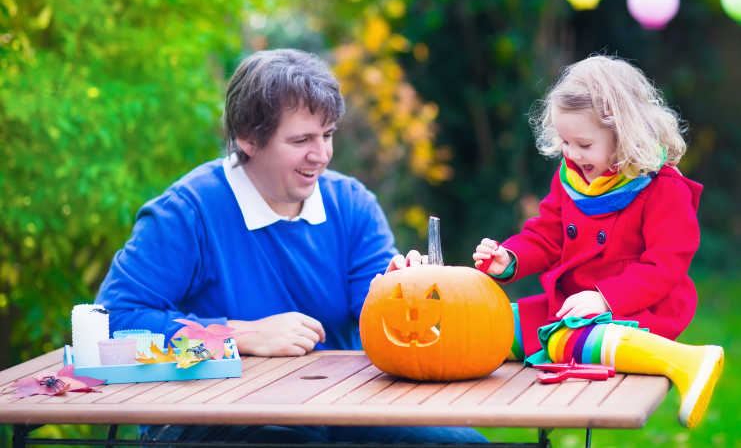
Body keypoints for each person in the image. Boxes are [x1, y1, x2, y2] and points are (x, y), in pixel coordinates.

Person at [95, 49, 486, 444]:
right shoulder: (187, 213)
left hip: (338, 406)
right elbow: (111, 324)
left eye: (328, 135)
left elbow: (376, 318)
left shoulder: (351, 204)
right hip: (213, 417)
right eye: (301, 140)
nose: (321, 155)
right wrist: (237, 335)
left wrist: (402, 291)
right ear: (248, 139)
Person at [468, 55, 723, 428]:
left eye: (583, 144)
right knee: (488, 325)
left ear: (624, 134)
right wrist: (510, 258)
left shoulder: (662, 187)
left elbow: (664, 267)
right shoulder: (572, 177)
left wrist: (605, 297)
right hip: (572, 305)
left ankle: (688, 361)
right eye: (564, 142)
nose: (571, 154)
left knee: (561, 339)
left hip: (637, 309)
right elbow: (546, 234)